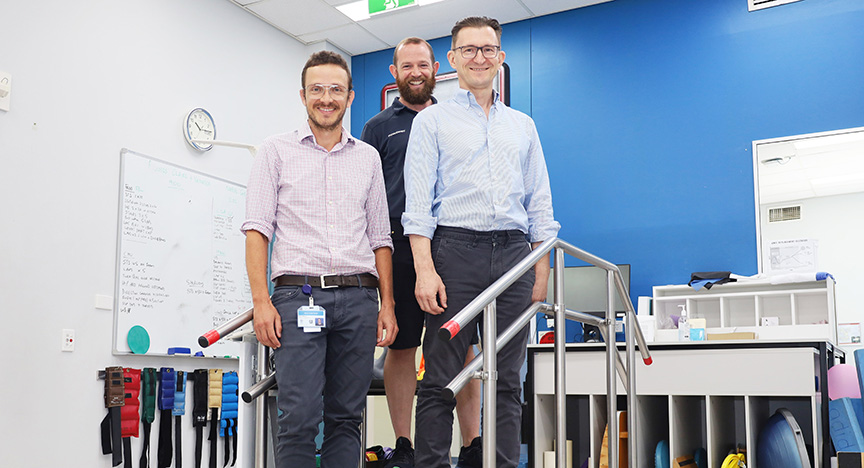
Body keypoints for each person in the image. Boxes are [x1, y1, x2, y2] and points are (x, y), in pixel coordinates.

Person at [402, 16, 559, 468]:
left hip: (514, 255)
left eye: (487, 49)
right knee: (441, 379)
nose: (479, 57)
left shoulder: (523, 126)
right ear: (451, 60)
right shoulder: (431, 121)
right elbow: (418, 205)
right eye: (468, 50)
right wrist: (425, 269)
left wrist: (541, 266)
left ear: (500, 59)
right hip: (454, 253)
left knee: (509, 379)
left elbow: (539, 202)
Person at [242, 50, 398, 468]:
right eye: (317, 89)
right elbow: (257, 230)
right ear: (303, 95)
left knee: (347, 418)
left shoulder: (367, 157)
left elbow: (381, 237)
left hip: (360, 300)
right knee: (298, 418)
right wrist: (261, 302)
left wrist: (388, 304)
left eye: (335, 90)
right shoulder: (274, 152)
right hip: (298, 298)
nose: (325, 98)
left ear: (349, 96)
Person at [360, 37, 482, 468]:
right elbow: (368, 195)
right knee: (402, 345)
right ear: (394, 73)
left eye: (422, 65)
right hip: (397, 246)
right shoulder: (377, 128)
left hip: (448, 241)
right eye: (406, 65)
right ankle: (405, 444)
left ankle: (472, 443)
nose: (415, 72)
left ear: (436, 70)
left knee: (460, 344)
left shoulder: (453, 119)